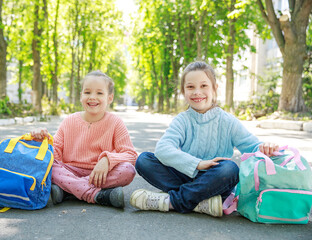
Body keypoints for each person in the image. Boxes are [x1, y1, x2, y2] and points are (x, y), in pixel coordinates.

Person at [129, 61, 279, 217]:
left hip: (214, 181)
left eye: (204, 86)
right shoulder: (183, 120)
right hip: (187, 174)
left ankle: (171, 202)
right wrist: (198, 164)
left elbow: (253, 147)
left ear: (214, 88)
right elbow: (162, 149)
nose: (197, 92)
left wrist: (265, 146)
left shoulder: (227, 121)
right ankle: (199, 202)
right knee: (144, 160)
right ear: (183, 91)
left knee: (230, 169)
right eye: (190, 87)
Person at [31, 71, 137, 208]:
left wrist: (107, 160)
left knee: (128, 170)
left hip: (101, 174)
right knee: (49, 166)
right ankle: (96, 195)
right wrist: (41, 140)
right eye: (87, 92)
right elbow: (54, 153)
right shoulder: (69, 121)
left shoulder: (116, 123)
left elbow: (131, 155)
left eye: (99, 93)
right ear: (81, 96)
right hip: (69, 170)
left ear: (109, 98)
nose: (92, 97)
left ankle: (69, 190)